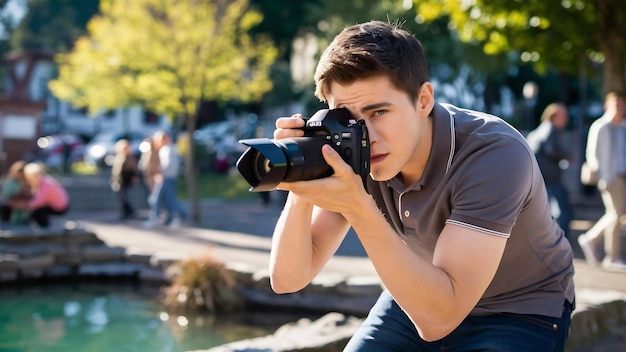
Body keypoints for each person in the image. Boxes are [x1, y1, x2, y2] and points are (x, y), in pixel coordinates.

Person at [268, 21, 574, 351]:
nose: (366, 136)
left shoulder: (493, 153)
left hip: (519, 307)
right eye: (349, 119)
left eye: (380, 112)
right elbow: (288, 279)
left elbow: (439, 320)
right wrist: (302, 176)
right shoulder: (350, 150)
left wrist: (358, 206)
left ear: (423, 100)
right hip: (423, 292)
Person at [578, 91, 626, 270]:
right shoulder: (600, 126)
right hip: (609, 177)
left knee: (616, 215)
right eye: (616, 105)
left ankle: (593, 239)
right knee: (615, 214)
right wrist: (601, 174)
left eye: (622, 105)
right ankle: (611, 254)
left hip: (622, 177)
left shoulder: (623, 126)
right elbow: (592, 154)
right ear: (607, 106)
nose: (620, 109)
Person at [526, 103, 574, 238]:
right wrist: (566, 155)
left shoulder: (539, 130)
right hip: (550, 179)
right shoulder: (550, 129)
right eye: (564, 116)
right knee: (563, 212)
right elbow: (551, 150)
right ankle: (559, 242)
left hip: (541, 178)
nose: (566, 119)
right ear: (554, 116)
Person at [143, 130, 187, 229]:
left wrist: (159, 169)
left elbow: (168, 165)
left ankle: (171, 218)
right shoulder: (169, 149)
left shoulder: (168, 149)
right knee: (167, 199)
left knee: (160, 199)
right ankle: (175, 217)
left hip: (166, 177)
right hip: (167, 177)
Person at [8, 162, 69, 228]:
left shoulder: (45, 185)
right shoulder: (43, 181)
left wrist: (21, 205)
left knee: (37, 212)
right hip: (55, 204)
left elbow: (37, 202)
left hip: (60, 207)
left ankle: (44, 229)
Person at [110, 139, 140, 220]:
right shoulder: (119, 156)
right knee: (120, 197)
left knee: (124, 196)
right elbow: (116, 170)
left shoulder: (129, 156)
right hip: (120, 179)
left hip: (126, 178)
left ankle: (129, 212)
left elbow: (134, 168)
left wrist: (135, 176)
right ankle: (127, 212)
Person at [0, 160, 32, 225]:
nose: (21, 174)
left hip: (25, 205)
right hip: (11, 203)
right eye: (19, 172)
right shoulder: (10, 182)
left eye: (22, 172)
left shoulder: (29, 182)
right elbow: (6, 195)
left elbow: (32, 195)